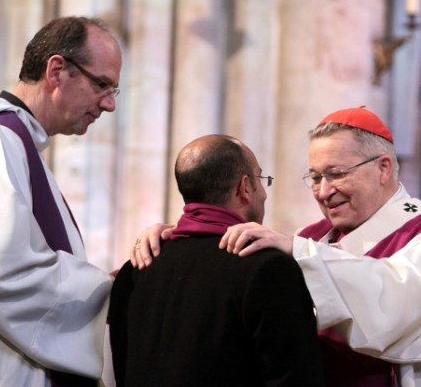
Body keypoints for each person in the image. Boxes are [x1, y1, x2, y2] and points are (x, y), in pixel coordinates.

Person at [134, 107, 421, 387]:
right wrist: (179, 239)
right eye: (314, 177)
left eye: (336, 174)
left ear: (383, 168)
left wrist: (299, 252)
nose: (324, 191)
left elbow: (397, 310)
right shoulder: (312, 238)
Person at [0, 16, 121, 386]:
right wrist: (106, 290)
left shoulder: (18, 144)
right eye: (102, 85)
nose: (110, 105)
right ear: (56, 71)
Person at [109, 135, 325, 386]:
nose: (264, 194)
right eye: (260, 180)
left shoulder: (136, 268)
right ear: (244, 187)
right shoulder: (266, 268)